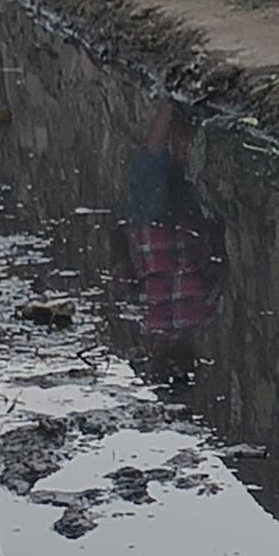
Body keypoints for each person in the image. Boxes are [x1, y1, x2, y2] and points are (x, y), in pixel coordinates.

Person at [119, 99, 226, 391]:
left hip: (188, 226)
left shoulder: (204, 315)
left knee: (178, 172)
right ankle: (169, 105)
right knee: (149, 166)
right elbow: (127, 281)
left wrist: (213, 236)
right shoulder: (145, 323)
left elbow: (218, 275)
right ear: (159, 356)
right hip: (150, 232)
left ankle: (190, 114)